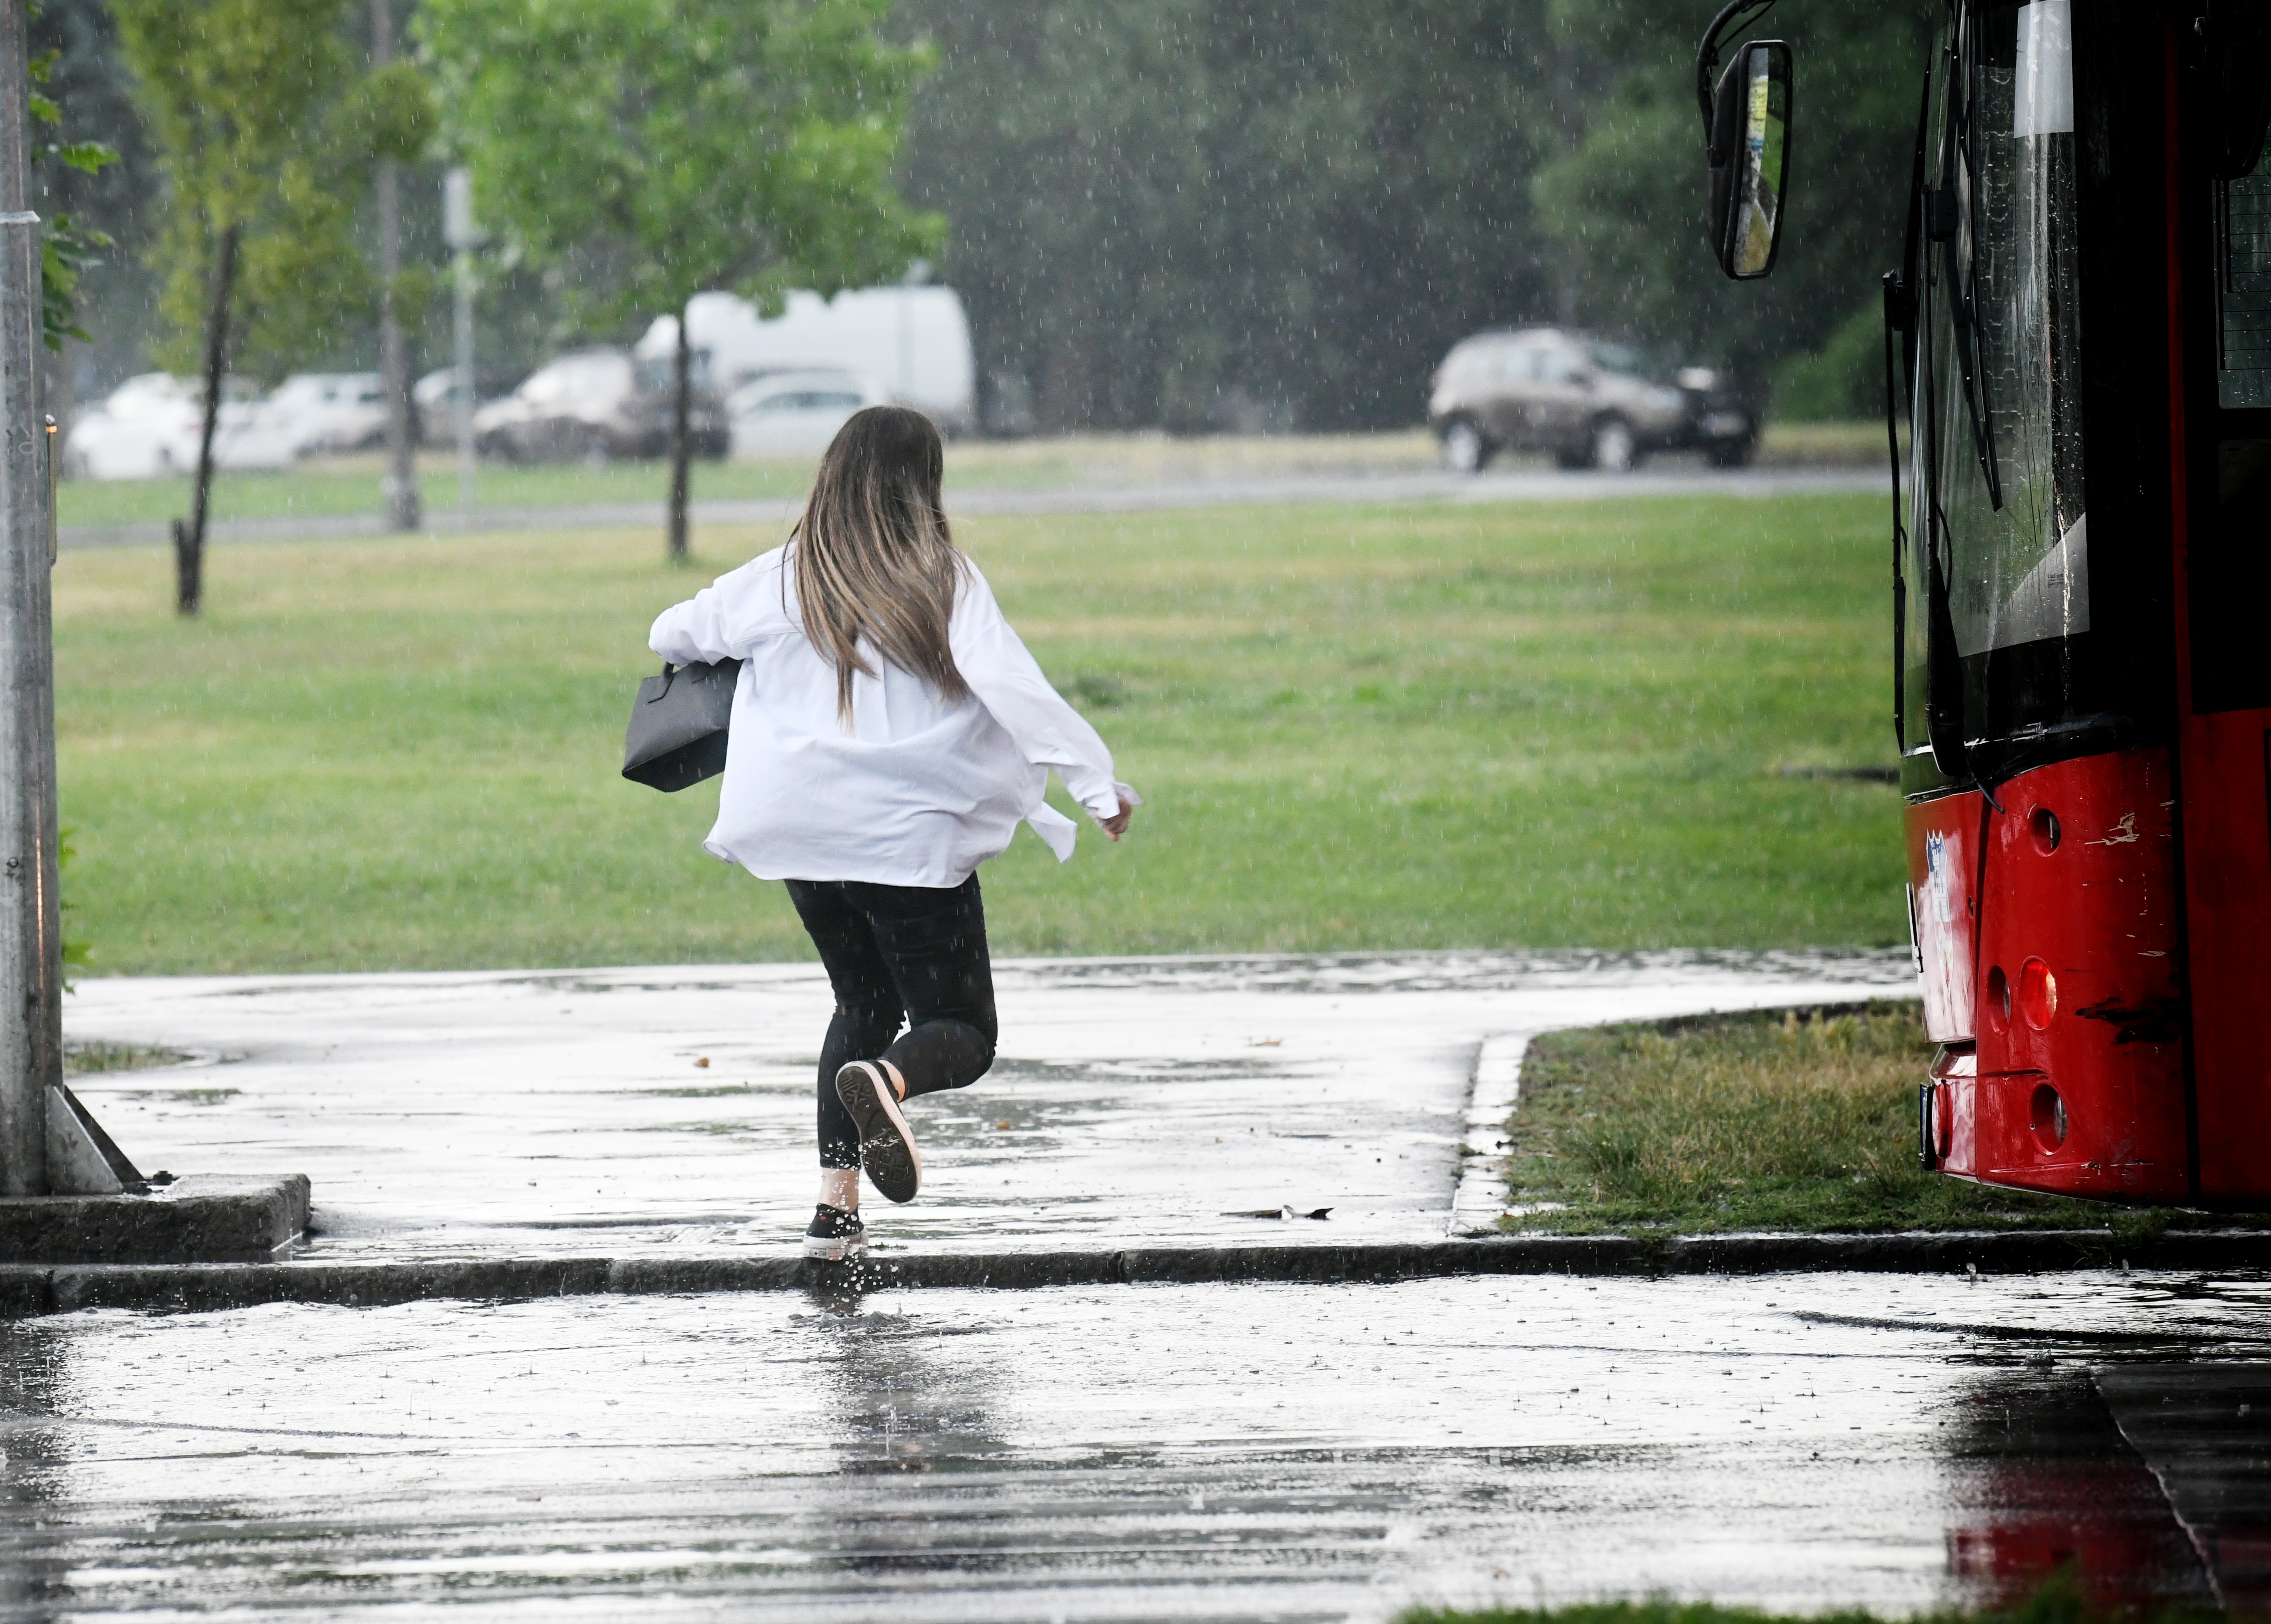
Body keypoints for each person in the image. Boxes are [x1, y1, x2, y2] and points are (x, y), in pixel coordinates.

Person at [648, 406, 1136, 1260]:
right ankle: (890, 1081)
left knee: (862, 1001)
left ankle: (834, 1216)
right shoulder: (943, 579)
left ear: (830, 480)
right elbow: (1014, 686)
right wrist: (1095, 784)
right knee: (961, 1028)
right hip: (906, 841)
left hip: (802, 835)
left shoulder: (783, 578)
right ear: (924, 486)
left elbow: (671, 631)